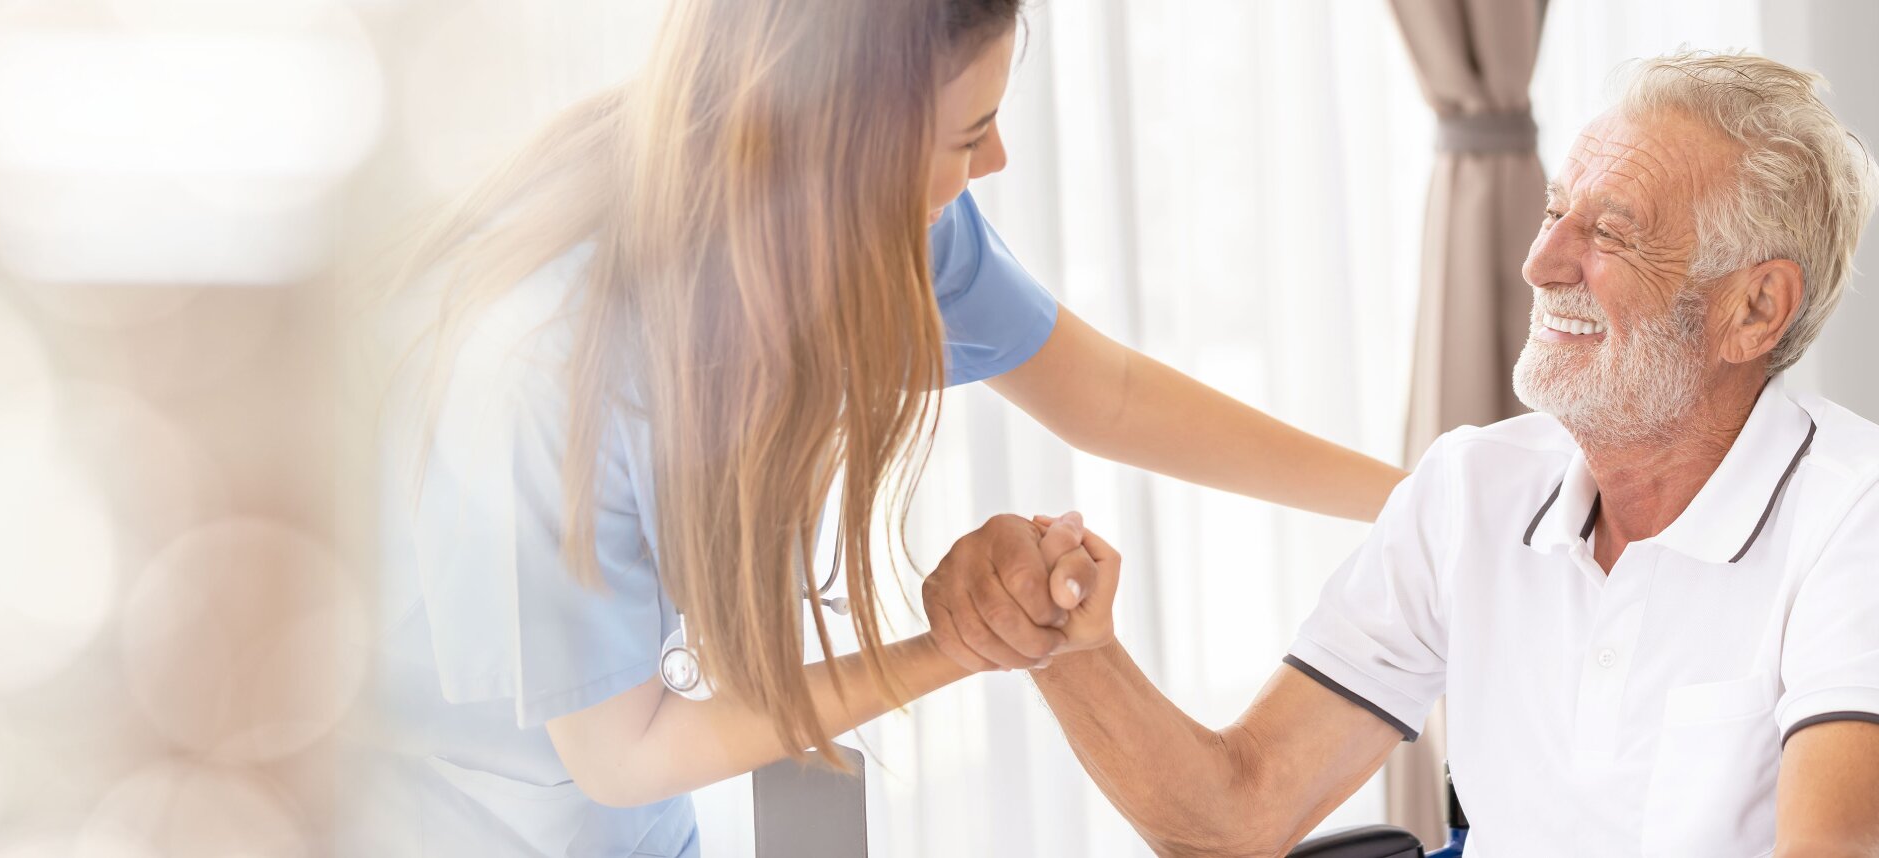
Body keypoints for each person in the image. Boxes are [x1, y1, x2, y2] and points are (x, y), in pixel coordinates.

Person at [362, 0, 1404, 855]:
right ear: (834, 140)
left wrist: (1428, 497)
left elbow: (1112, 397)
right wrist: (959, 645)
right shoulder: (553, 364)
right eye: (964, 134)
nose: (993, 161)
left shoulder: (887, 231)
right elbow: (624, 751)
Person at [930, 51, 1879, 855]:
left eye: (1611, 234)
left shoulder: (1853, 517)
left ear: (1753, 310)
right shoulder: (1471, 488)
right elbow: (1237, 811)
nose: (1541, 262)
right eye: (1557, 212)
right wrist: (1067, 645)